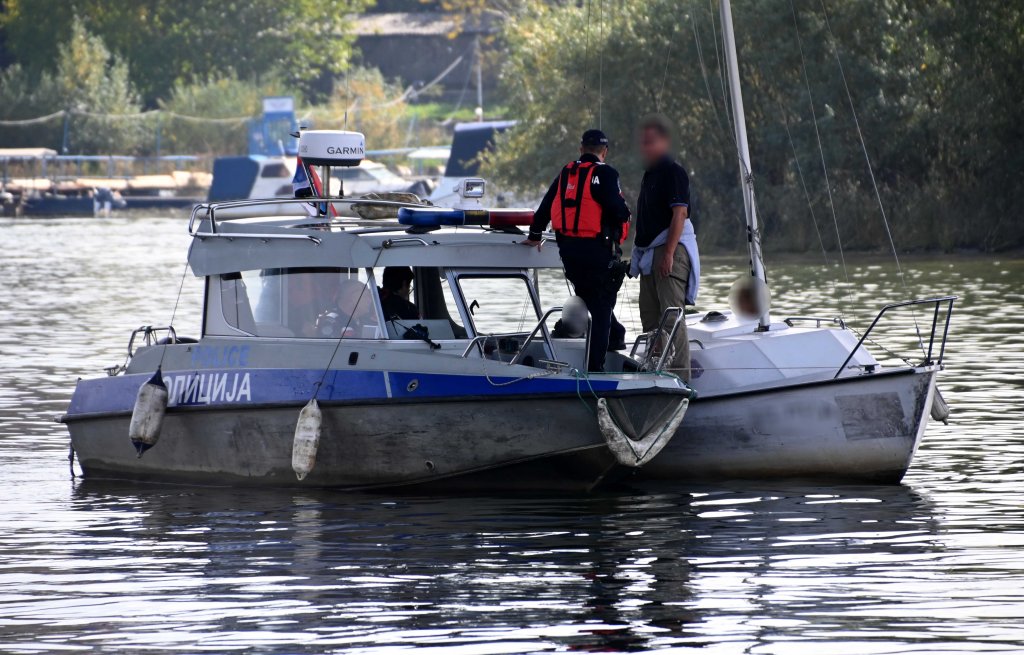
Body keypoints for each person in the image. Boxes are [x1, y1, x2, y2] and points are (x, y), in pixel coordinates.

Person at [522, 129, 631, 372]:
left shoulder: (566, 173)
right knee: (601, 309)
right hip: (596, 252)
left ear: (581, 149)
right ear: (604, 152)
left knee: (592, 297)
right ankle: (595, 369)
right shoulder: (606, 173)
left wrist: (534, 236)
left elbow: (545, 208)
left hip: (569, 254)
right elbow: (619, 210)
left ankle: (616, 334)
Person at [629, 114, 701, 380]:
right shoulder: (649, 175)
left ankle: (680, 377)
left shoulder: (673, 171)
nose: (645, 147)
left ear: (664, 143)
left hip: (669, 248)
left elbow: (679, 213)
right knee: (649, 317)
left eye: (650, 142)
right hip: (650, 253)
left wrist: (669, 254)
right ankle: (655, 373)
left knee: (671, 317)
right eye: (643, 142)